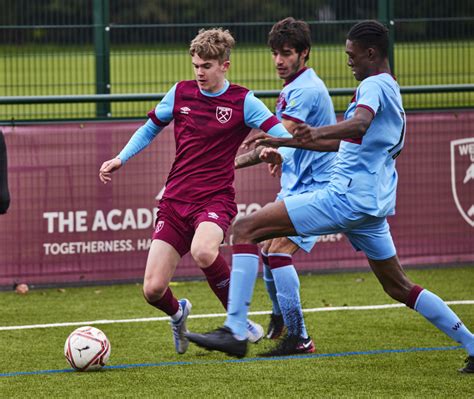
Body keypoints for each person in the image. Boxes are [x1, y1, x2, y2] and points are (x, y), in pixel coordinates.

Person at [185, 20, 474, 373]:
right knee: (399, 286)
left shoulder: (371, 86)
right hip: (371, 206)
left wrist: (309, 132)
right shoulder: (392, 89)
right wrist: (286, 140)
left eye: (352, 56)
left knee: (244, 229)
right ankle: (472, 345)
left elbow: (359, 125)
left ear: (371, 53)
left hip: (344, 198)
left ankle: (236, 329)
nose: (348, 61)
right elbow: (346, 140)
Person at [99, 28, 295, 355]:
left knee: (204, 251)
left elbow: (284, 136)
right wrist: (121, 157)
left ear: (225, 66)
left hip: (214, 200)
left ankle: (238, 320)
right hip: (174, 203)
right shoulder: (180, 93)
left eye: (206, 66)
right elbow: (149, 129)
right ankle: (179, 314)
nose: (200, 72)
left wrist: (279, 154)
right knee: (152, 289)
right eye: (196, 65)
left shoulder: (243, 101)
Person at [234, 17, 336, 356]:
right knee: (265, 249)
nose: (279, 60)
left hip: (318, 189)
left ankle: (300, 337)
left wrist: (227, 164)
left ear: (304, 53)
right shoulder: (295, 86)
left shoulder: (305, 90)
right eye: (275, 53)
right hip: (298, 186)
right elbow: (283, 140)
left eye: (287, 53)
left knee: (276, 250)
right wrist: (277, 151)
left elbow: (276, 136)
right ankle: (280, 320)